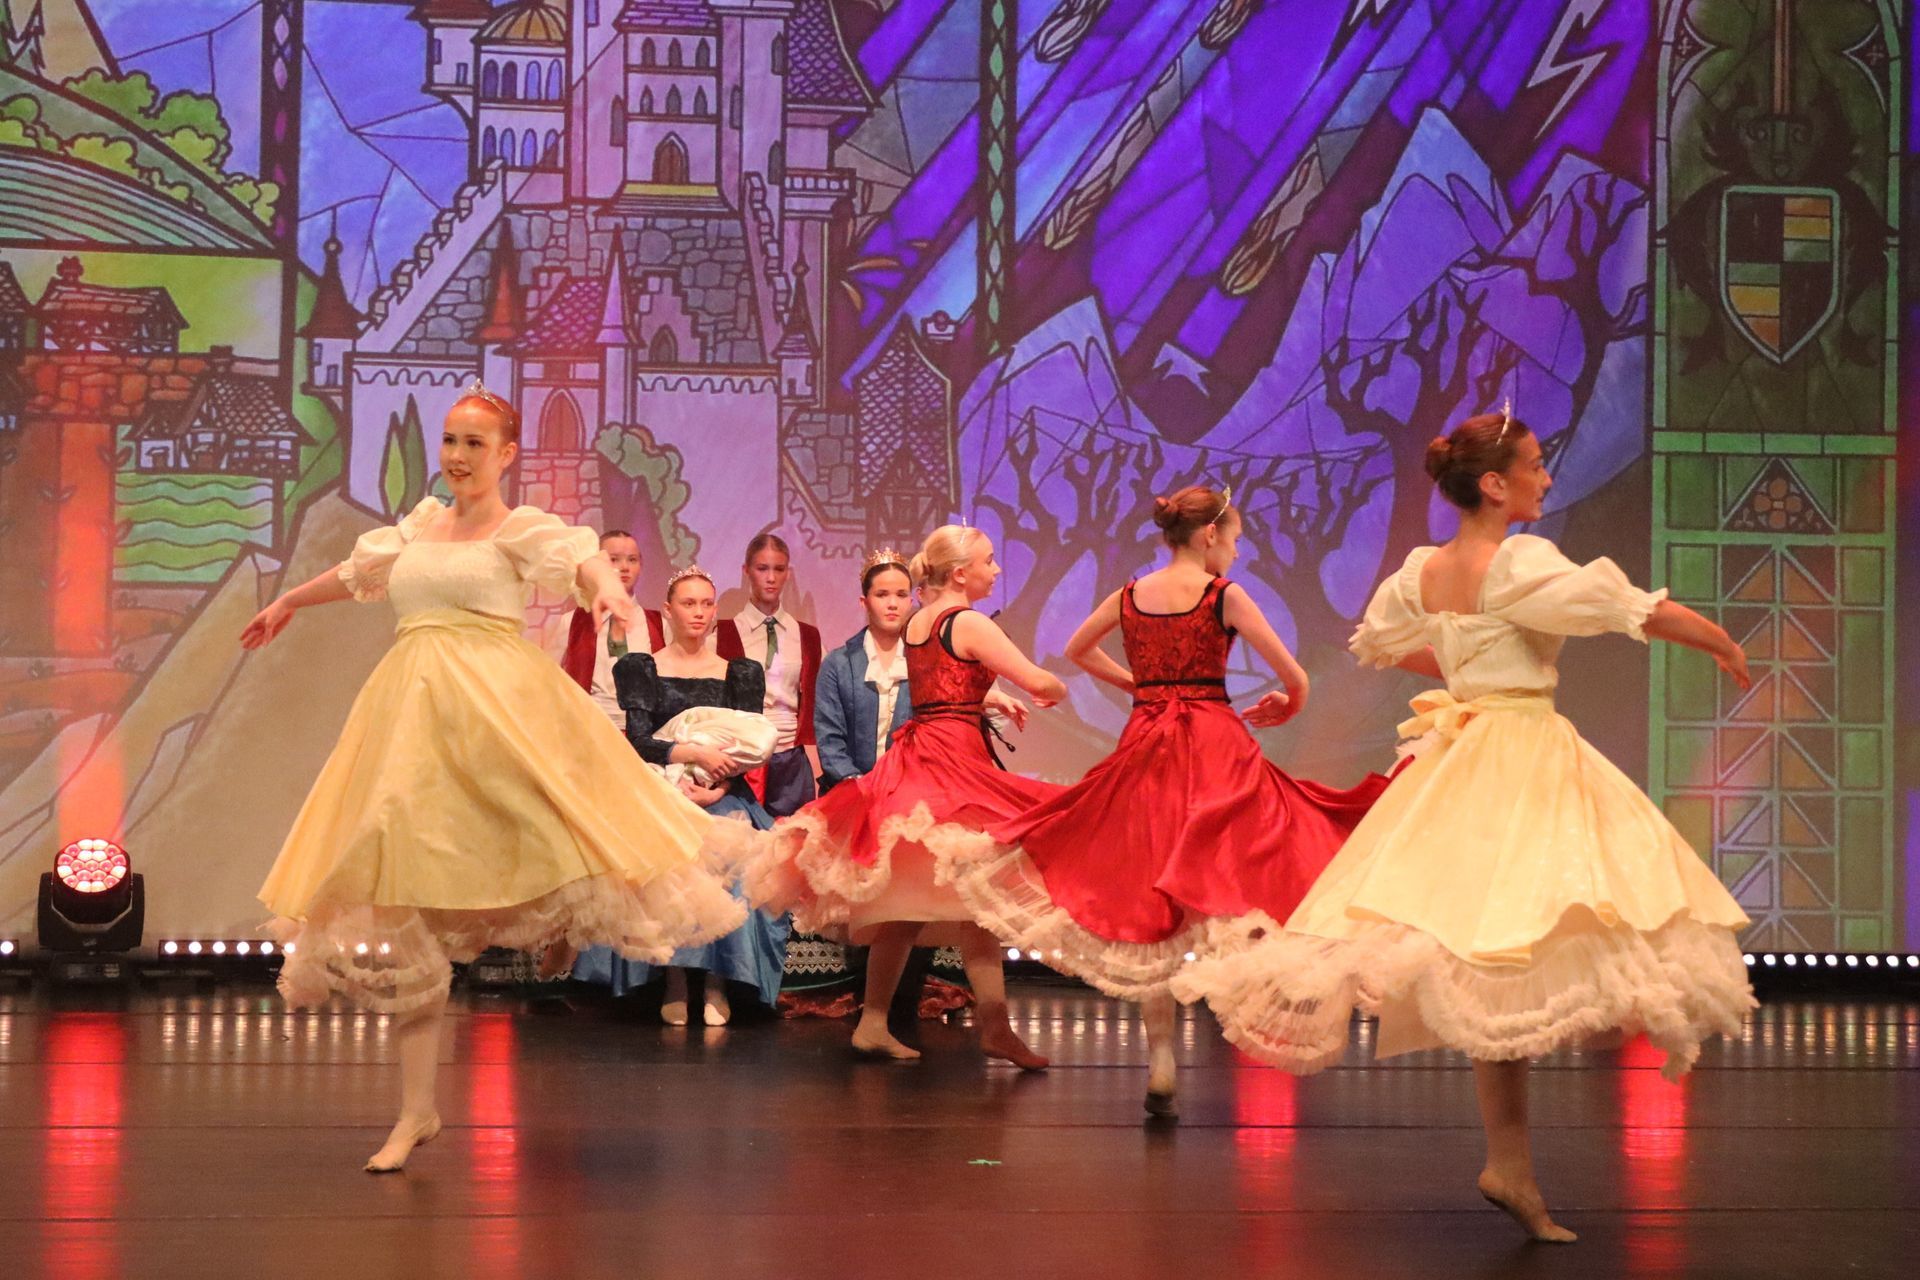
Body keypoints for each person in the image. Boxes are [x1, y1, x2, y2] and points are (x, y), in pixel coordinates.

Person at [1173, 409, 1757, 1241]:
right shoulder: (1514, 561)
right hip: (1514, 754)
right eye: (1535, 464)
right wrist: (1718, 639)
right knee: (1526, 932)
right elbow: (1628, 609)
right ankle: (1510, 1161)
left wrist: (1469, 657)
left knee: (1497, 950)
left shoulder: (1427, 570)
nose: (1545, 477)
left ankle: (1509, 1163)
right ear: (1494, 484)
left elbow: (1383, 642)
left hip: (1465, 755)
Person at [244, 384, 743, 1172]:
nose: (456, 455)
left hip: (499, 709)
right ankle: (416, 1111)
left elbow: (580, 560)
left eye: (474, 443)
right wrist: (289, 603)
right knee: (407, 897)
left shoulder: (520, 529)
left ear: (507, 454)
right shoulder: (418, 527)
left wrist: (609, 588)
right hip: (412, 719)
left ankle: (558, 934)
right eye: (450, 440)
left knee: (556, 824)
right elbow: (356, 571)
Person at [937, 486, 1392, 1115]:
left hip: (1149, 744)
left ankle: (1161, 1061)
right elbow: (1295, 674)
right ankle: (1256, 1015)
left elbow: (1076, 649)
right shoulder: (1222, 594)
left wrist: (1141, 685)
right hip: (1213, 745)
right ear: (1209, 535)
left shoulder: (1131, 595)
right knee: (1238, 871)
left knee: (1153, 900)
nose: (1236, 551)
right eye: (1234, 539)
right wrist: (1291, 703)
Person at [738, 525, 1064, 1068]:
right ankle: (984, 1025)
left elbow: (947, 680)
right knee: (968, 897)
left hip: (921, 760)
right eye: (988, 560)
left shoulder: (918, 623)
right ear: (959, 572)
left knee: (912, 904)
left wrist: (985, 696)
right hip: (951, 768)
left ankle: (897, 1023)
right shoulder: (968, 621)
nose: (996, 569)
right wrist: (1058, 686)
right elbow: (1038, 681)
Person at [573, 566, 791, 1024]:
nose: (698, 612)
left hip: (721, 793)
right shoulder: (641, 667)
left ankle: (716, 981)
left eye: (706, 604)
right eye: (688, 603)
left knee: (732, 858)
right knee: (671, 859)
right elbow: (638, 741)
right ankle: (674, 978)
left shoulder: (740, 672)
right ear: (667, 611)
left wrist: (717, 787)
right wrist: (691, 754)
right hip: (661, 789)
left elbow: (749, 743)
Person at [714, 533, 822, 819]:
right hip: (742, 757)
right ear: (746, 571)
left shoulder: (807, 636)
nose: (771, 578)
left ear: (788, 573)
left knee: (792, 839)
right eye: (762, 568)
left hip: (791, 759)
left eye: (779, 569)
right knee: (744, 837)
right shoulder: (723, 634)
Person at [560, 529, 666, 727]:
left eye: (632, 560)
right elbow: (549, 678)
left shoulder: (660, 625)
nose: (624, 567)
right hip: (588, 726)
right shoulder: (571, 622)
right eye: (614, 559)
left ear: (641, 565)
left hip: (644, 730)